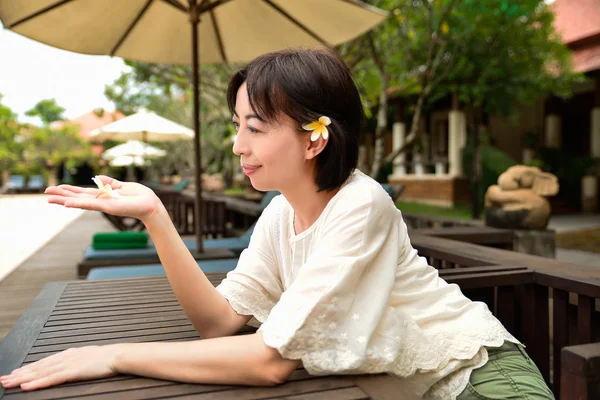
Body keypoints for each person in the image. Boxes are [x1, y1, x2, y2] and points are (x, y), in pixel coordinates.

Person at [0, 48, 554, 400]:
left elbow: (268, 365)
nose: (239, 145)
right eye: (237, 125)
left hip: (477, 380)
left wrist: (112, 354)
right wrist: (155, 216)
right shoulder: (281, 212)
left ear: (316, 137)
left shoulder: (361, 206)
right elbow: (219, 324)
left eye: (257, 128)